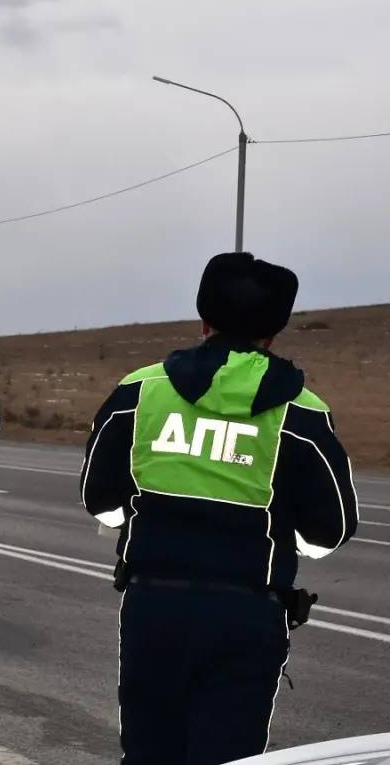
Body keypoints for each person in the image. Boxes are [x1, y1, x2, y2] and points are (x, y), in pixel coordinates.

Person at [79, 252, 359, 765]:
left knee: (147, 754)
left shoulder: (140, 392)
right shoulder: (303, 413)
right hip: (248, 615)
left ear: (203, 322)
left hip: (153, 609)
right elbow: (332, 530)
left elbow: (99, 499)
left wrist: (137, 519)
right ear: (272, 337)